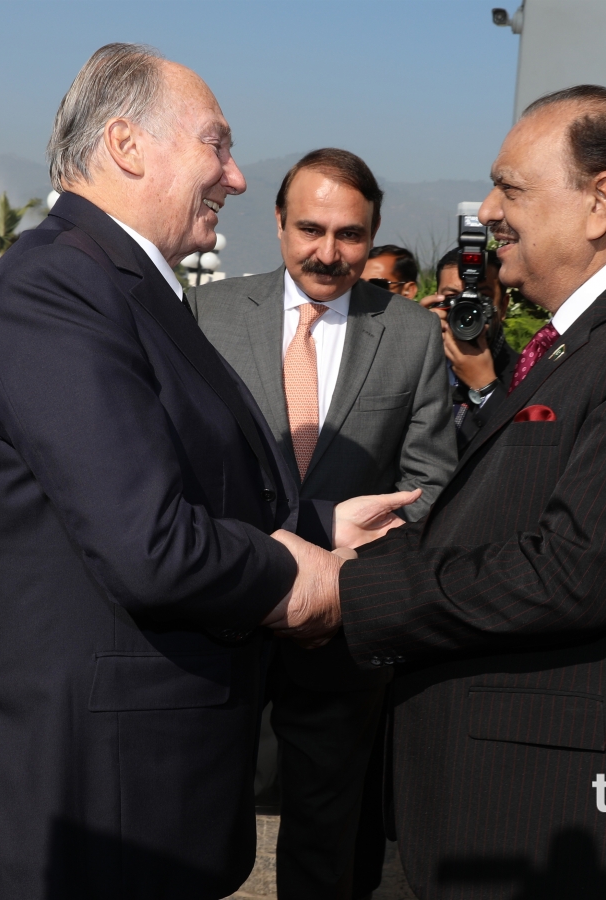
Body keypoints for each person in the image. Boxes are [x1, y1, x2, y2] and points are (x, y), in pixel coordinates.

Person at [0, 45, 409, 900]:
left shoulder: (122, 282)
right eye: (217, 145)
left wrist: (318, 527)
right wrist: (304, 573)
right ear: (128, 146)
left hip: (130, 789)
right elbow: (147, 540)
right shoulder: (59, 285)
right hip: (71, 800)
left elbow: (174, 490)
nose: (236, 177)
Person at [290, 85, 606, 897]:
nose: (489, 209)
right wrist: (394, 545)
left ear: (601, 200)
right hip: (520, 800)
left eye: (511, 186)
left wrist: (352, 587)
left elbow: (574, 570)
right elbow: (514, 521)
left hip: (580, 818)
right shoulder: (589, 335)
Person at [188, 148, 455, 900]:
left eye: (350, 235)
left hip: (340, 629)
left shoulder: (406, 334)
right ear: (276, 223)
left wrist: (349, 583)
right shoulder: (206, 315)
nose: (328, 253)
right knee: (196, 814)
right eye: (310, 229)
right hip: (220, 617)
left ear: (372, 235)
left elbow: (431, 483)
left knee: (328, 834)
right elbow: (179, 467)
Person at [423, 246, 518, 452]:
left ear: (503, 306)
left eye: (481, 298)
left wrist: (487, 387)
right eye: (453, 297)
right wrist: (410, 344)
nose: (468, 309)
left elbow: (523, 451)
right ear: (437, 300)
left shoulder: (527, 374)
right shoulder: (417, 362)